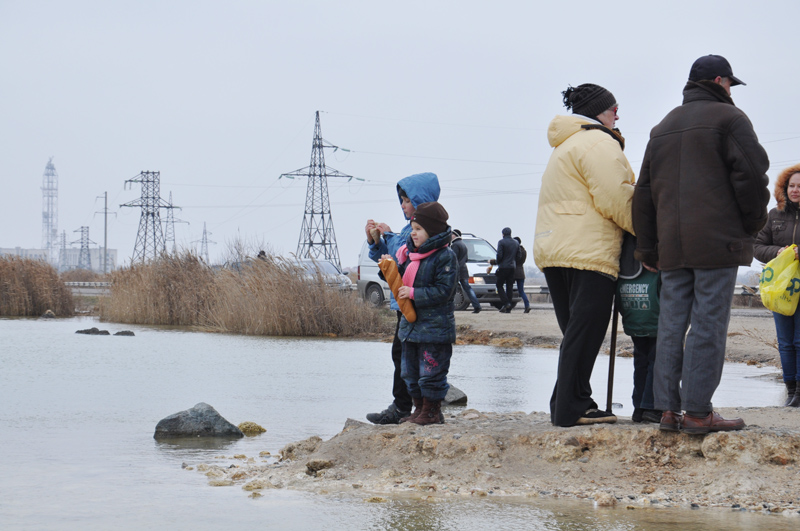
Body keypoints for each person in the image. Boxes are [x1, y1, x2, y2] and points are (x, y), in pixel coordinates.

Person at [633, 55, 770, 433]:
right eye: (730, 83)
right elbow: (753, 177)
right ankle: (697, 411)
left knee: (672, 323)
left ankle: (667, 410)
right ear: (719, 81)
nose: (731, 90)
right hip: (716, 243)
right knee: (709, 323)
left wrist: (648, 247)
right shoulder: (730, 120)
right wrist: (753, 224)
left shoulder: (662, 127)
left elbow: (643, 194)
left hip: (672, 247)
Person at [534, 82, 635, 427]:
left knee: (575, 331)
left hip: (554, 248)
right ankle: (569, 409)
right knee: (586, 330)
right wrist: (647, 233)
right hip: (587, 249)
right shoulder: (598, 142)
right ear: (596, 111)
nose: (617, 114)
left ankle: (575, 400)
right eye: (612, 109)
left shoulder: (565, 145)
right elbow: (616, 198)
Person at [364, 172, 441, 424]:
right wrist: (375, 241)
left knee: (412, 356)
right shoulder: (410, 230)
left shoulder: (424, 231)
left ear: (420, 201)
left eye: (407, 200)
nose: (402, 205)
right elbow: (390, 258)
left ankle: (409, 407)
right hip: (404, 303)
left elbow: (407, 248)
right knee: (402, 355)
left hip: (416, 304)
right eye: (401, 200)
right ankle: (410, 407)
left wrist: (387, 235)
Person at [389, 201, 458, 425]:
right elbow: (399, 280)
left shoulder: (445, 257)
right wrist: (387, 271)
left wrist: (414, 293)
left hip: (434, 329)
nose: (413, 233)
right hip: (411, 327)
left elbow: (444, 291)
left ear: (432, 231)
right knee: (409, 372)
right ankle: (418, 409)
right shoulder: (409, 255)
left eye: (418, 229)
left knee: (431, 370)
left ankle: (431, 411)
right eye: (413, 228)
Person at [754, 163, 800, 407]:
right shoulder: (774, 215)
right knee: (785, 342)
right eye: (791, 185)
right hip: (780, 290)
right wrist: (778, 251)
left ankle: (799, 393)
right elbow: (757, 247)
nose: (795, 190)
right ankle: (790, 390)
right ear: (784, 187)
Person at [617, 243, 661, 423]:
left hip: (632, 311)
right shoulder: (656, 247)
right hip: (655, 313)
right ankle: (650, 406)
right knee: (656, 359)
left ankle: (638, 408)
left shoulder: (623, 250)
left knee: (641, 359)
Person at [451, 229, 481, 313]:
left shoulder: (455, 245)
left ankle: (450, 306)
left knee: (452, 288)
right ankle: (477, 305)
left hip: (457, 270)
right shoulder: (463, 244)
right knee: (467, 288)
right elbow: (466, 258)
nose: (450, 236)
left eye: (451, 234)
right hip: (464, 269)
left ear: (455, 235)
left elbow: (454, 258)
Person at [495, 227, 520, 313]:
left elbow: (499, 255)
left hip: (503, 267)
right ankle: (508, 308)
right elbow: (518, 256)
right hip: (512, 267)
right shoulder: (516, 243)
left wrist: (498, 262)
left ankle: (506, 303)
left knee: (499, 285)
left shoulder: (501, 242)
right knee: (509, 286)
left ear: (503, 234)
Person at [513, 236, 531, 314]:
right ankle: (527, 305)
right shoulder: (524, 251)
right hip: (521, 272)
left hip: (513, 272)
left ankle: (507, 305)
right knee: (521, 291)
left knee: (509, 289)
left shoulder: (514, 251)